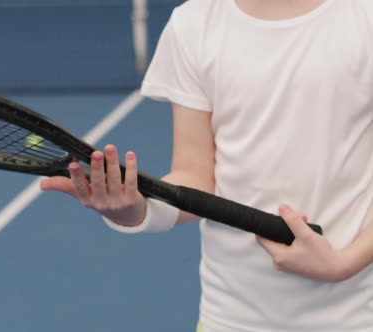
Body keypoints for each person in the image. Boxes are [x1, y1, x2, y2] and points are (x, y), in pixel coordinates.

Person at [41, 0, 373, 331]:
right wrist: (136, 212)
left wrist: (344, 263)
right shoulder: (194, 24)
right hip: (231, 318)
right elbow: (196, 177)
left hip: (357, 316)